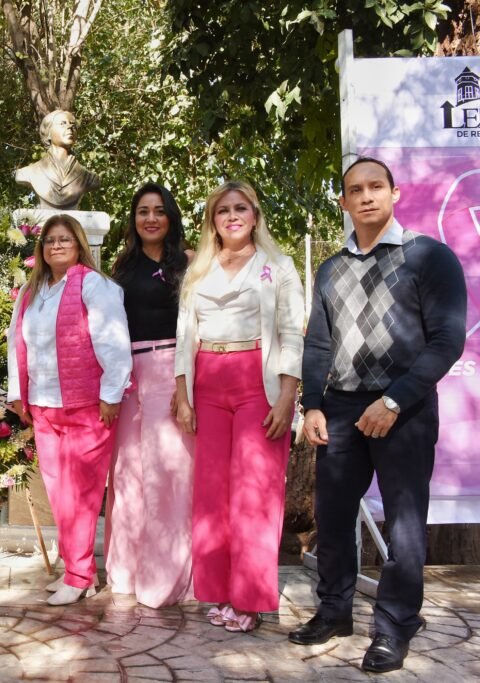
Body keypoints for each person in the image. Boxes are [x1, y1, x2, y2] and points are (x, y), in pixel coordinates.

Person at [290, 158, 466, 673]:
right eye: (355, 190)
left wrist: (394, 401)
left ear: (394, 193)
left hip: (404, 407)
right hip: (341, 408)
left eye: (375, 187)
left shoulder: (429, 257)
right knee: (333, 517)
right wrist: (313, 404)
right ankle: (334, 611)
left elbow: (447, 340)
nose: (366, 196)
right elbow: (318, 344)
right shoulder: (331, 269)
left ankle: (395, 625)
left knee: (405, 524)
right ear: (343, 202)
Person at [174, 180, 304, 632]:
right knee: (212, 493)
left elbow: (292, 332)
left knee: (254, 491)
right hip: (207, 383)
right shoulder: (198, 269)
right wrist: (183, 394)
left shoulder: (278, 266)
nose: (232, 216)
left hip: (257, 383)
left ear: (255, 215)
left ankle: (250, 600)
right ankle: (221, 591)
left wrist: (287, 396)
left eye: (241, 208)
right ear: (213, 220)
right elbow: (184, 334)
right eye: (223, 210)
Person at [7, 214, 131, 606]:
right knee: (60, 495)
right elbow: (15, 344)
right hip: (44, 406)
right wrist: (18, 394)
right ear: (41, 248)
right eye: (50, 240)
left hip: (86, 407)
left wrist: (111, 395)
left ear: (78, 245)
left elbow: (114, 343)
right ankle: (78, 571)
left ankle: (78, 576)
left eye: (64, 239)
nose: (56, 245)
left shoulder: (94, 285)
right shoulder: (31, 292)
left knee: (81, 496)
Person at [105, 183, 195, 608]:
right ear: (134, 219)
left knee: (168, 474)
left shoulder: (190, 263)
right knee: (128, 474)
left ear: (171, 217)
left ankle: (165, 577)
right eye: (143, 211)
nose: (151, 218)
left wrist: (185, 386)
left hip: (172, 369)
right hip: (127, 376)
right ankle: (126, 571)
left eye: (159, 210)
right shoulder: (121, 268)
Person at [14, 109, 100, 210]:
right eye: (63, 123)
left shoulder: (89, 178)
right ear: (48, 133)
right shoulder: (29, 173)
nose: (70, 127)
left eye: (73, 125)